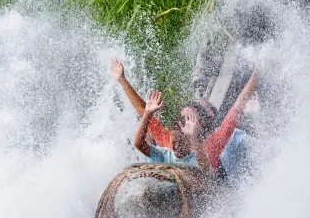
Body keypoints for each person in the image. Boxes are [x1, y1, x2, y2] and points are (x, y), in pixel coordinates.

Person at [110, 58, 258, 175]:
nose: (183, 123)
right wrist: (122, 80)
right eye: (182, 118)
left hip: (212, 181)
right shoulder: (169, 142)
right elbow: (142, 110)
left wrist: (258, 71)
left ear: (202, 126)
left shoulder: (214, 143)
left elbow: (238, 105)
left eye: (189, 119)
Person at [134, 91, 211, 171]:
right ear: (170, 139)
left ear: (189, 141)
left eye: (181, 142)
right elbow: (138, 144)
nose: (177, 146)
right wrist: (147, 113)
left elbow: (205, 168)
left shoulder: (196, 158)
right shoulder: (163, 155)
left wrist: (193, 137)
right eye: (174, 142)